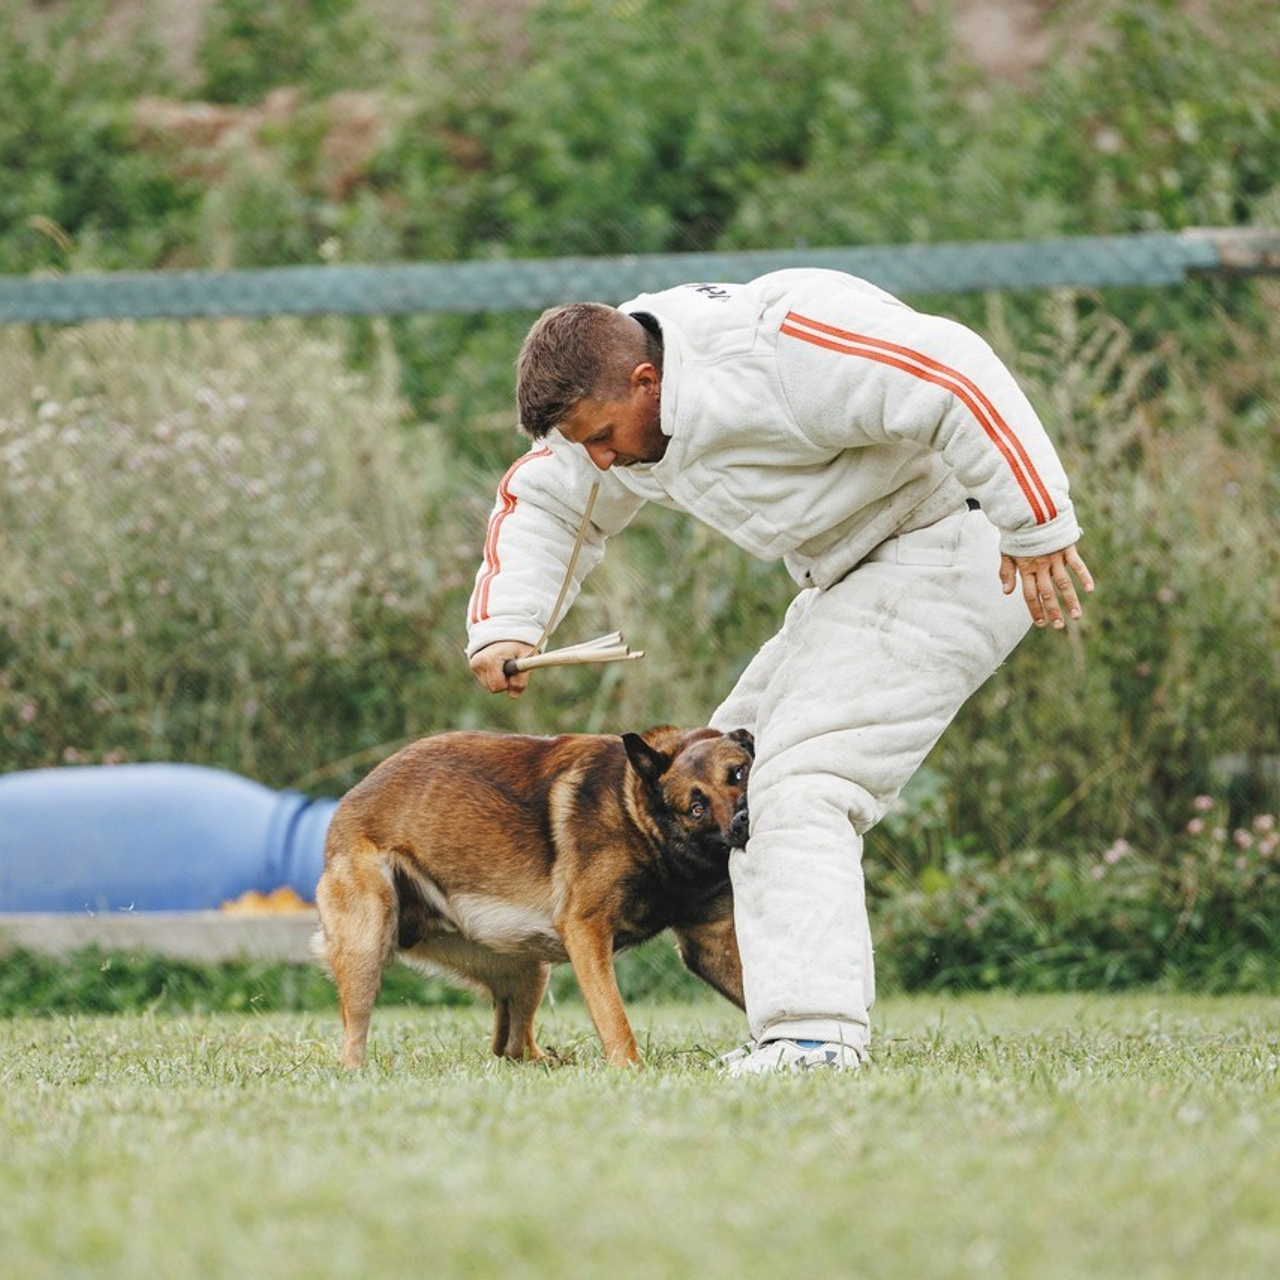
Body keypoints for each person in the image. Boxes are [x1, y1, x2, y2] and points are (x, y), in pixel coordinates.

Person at [466, 268, 1094, 1074]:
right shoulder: (607, 403)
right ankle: (782, 1017)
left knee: (795, 785)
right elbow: (549, 501)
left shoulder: (778, 345)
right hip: (850, 575)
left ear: (645, 379)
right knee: (722, 770)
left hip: (959, 545)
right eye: (584, 445)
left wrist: (1037, 525)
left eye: (604, 436)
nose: (601, 459)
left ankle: (815, 1040)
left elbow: (950, 368)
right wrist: (506, 626)